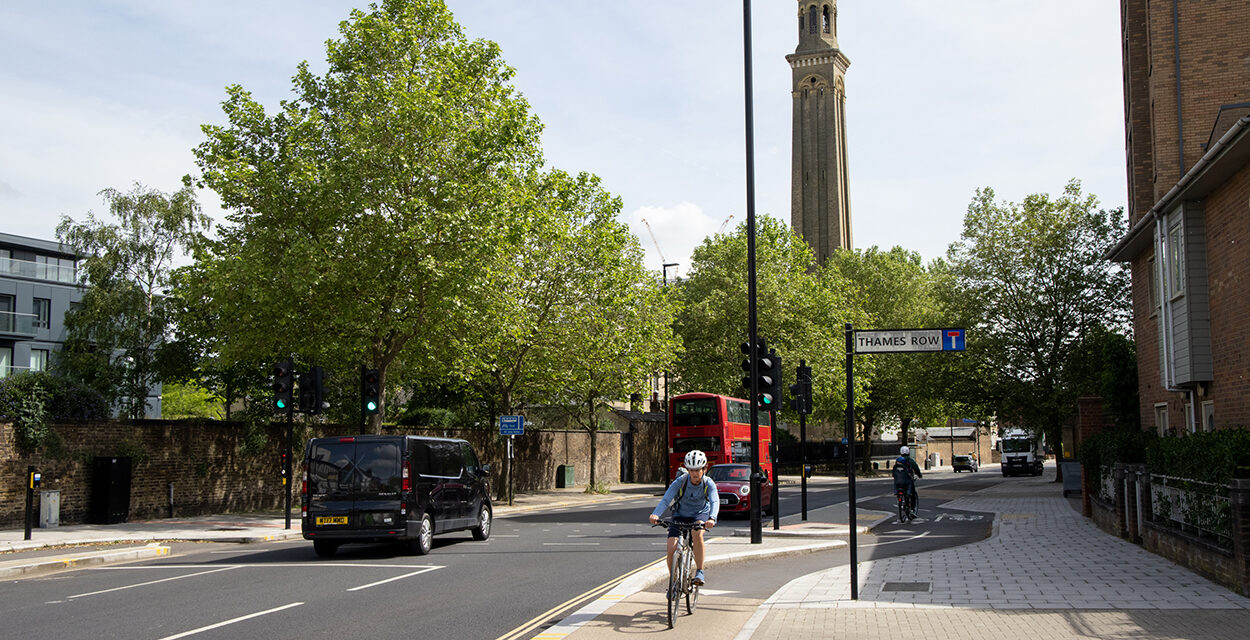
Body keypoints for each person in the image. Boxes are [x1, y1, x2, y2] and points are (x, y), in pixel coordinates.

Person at [649, 449, 719, 586]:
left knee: (697, 533)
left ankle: (699, 571)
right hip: (680, 514)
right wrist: (656, 514)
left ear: (704, 468)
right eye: (691, 470)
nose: (694, 473)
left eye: (697, 470)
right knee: (671, 547)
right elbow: (666, 499)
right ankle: (674, 581)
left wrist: (712, 518)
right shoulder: (680, 482)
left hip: (700, 514)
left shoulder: (708, 483)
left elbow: (715, 501)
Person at [892, 445, 923, 515]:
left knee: (899, 491)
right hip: (907, 481)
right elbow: (916, 468)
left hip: (898, 481)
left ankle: (900, 500)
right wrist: (919, 475)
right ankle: (912, 509)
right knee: (912, 494)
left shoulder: (898, 461)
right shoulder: (910, 461)